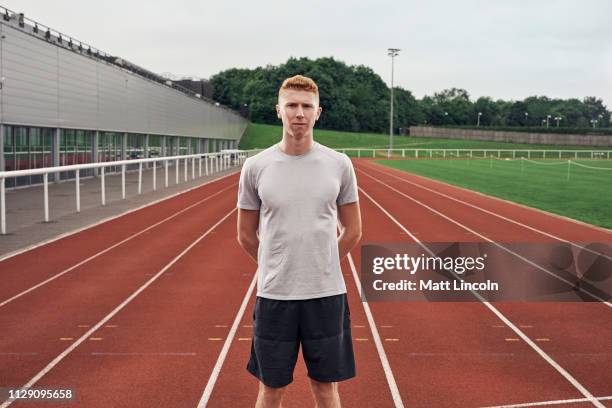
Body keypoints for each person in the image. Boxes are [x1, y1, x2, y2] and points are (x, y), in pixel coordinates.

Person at [236, 75, 362, 408]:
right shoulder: (255, 167)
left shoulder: (339, 165)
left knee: (325, 387)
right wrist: (274, 265)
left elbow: (353, 230)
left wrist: (321, 263)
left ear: (318, 112)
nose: (299, 113)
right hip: (275, 295)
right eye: (292, 105)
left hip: (326, 294)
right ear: (279, 110)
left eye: (307, 106)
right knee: (271, 389)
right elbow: (246, 235)